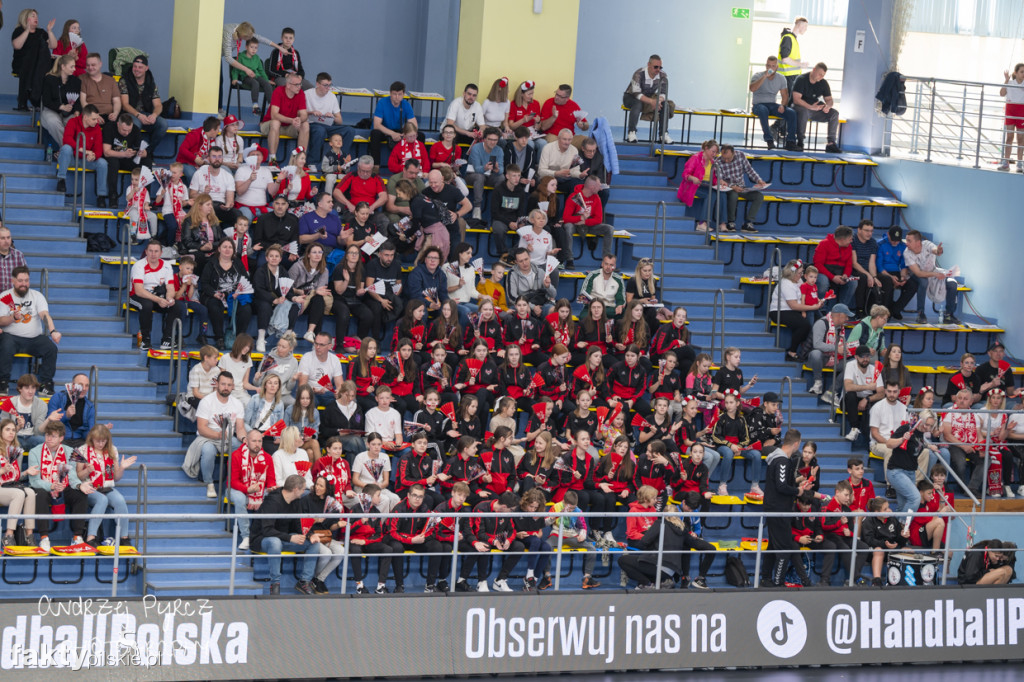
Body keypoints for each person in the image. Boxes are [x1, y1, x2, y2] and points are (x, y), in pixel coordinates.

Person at [250, 474, 321, 595]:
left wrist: (310, 535)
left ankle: (304, 581)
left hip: (284, 538)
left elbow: (299, 524)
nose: (305, 491)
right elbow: (267, 530)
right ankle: (275, 584)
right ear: (295, 489)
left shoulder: (296, 501)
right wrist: (290, 537)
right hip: (262, 539)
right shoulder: (272, 501)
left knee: (313, 544)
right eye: (303, 488)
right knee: (275, 542)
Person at [70, 425, 136, 548]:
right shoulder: (80, 450)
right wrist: (87, 471)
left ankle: (124, 537)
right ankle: (91, 537)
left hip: (107, 487)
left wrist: (122, 468)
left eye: (103, 441)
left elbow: (116, 477)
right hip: (89, 488)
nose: (100, 444)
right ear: (92, 439)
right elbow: (78, 476)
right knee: (102, 499)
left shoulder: (113, 450)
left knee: (120, 500)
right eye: (97, 441)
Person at [183, 372, 246, 497]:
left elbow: (240, 428)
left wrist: (244, 438)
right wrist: (218, 435)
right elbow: (201, 428)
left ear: (233, 386)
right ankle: (209, 483)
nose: (226, 387)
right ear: (217, 384)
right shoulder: (206, 401)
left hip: (228, 437)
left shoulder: (237, 404)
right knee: (208, 450)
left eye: (229, 385)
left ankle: (235, 482)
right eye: (223, 384)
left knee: (242, 448)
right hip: (209, 437)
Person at [763, 429, 814, 586]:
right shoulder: (783, 461)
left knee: (773, 546)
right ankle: (778, 582)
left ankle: (766, 579)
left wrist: (799, 482)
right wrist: (797, 490)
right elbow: (781, 486)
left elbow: (781, 482)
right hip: (778, 510)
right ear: (796, 443)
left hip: (775, 508)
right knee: (784, 548)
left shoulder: (777, 459)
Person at [28, 421, 87, 550]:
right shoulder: (34, 452)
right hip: (45, 487)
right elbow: (34, 481)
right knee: (39, 495)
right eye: (47, 435)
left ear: (61, 438)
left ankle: (77, 536)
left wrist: (78, 486)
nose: (49, 439)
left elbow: (71, 474)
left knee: (80, 494)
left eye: (53, 436)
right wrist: (51, 486)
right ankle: (44, 538)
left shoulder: (70, 451)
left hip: (63, 486)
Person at [0, 267, 58, 395]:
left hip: (34, 339)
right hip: (11, 337)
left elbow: (45, 315)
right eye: (20, 280)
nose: (24, 284)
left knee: (51, 348)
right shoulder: (5, 297)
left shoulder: (37, 296)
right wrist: (12, 318)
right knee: (5, 343)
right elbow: (1, 320)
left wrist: (53, 331)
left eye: (26, 280)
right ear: (13, 281)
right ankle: (3, 382)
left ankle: (45, 384)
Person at [388, 483, 448, 592]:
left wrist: (423, 537)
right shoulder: (398, 509)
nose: (417, 499)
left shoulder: (425, 509)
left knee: (437, 546)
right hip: (401, 540)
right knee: (396, 548)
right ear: (408, 495)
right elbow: (392, 532)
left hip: (417, 540)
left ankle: (430, 585)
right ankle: (399, 586)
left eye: (420, 496)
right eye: (415, 495)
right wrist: (410, 540)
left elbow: (432, 529)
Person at [199, 239, 253, 349]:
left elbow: (245, 280)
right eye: (224, 247)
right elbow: (204, 283)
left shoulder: (238, 263)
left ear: (233, 250)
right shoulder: (211, 263)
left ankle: (239, 339)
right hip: (214, 295)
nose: (227, 250)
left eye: (230, 247)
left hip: (234, 295)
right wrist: (214, 293)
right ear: (219, 249)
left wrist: (239, 292)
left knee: (246, 309)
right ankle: (219, 338)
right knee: (215, 306)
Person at [130, 239, 182, 351]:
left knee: (176, 305)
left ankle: (167, 340)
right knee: (147, 305)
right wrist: (158, 300)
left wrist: (169, 298)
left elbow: (170, 288)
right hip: (137, 296)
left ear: (161, 253)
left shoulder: (167, 266)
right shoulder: (139, 266)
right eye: (151, 251)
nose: (153, 254)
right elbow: (138, 290)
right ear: (146, 252)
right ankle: (145, 340)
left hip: (157, 296)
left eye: (156, 251)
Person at [545, 490, 601, 589]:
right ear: (564, 502)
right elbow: (545, 523)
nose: (571, 510)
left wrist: (582, 534)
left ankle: (587, 578)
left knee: (591, 549)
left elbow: (582, 526)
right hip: (556, 535)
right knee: (546, 547)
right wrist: (556, 515)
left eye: (573, 508)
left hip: (572, 536)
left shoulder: (578, 511)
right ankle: (546, 577)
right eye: (570, 508)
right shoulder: (556, 507)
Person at [55, 105, 109, 206]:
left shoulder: (96, 128)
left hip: (86, 160)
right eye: (94, 119)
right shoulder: (73, 122)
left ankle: (101, 196)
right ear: (85, 117)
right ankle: (61, 180)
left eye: (97, 118)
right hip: (72, 158)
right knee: (66, 149)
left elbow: (98, 149)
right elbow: (66, 139)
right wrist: (82, 150)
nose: (96, 121)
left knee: (102, 163)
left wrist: (94, 156)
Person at [904, 229, 960, 325]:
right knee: (923, 282)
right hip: (916, 275)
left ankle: (949, 315)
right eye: (906, 240)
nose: (906, 243)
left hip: (933, 271)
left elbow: (936, 251)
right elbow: (918, 273)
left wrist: (938, 251)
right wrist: (936, 275)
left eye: (909, 241)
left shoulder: (927, 244)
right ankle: (920, 313)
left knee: (952, 283)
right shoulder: (907, 253)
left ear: (918, 243)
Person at [118, 55, 167, 153]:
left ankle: (147, 153)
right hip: (130, 114)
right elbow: (125, 104)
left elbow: (158, 105)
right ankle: (131, 152)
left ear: (146, 68)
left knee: (163, 124)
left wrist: (154, 115)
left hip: (146, 114)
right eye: (135, 66)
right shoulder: (124, 81)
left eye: (140, 67)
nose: (137, 69)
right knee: (135, 124)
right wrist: (138, 115)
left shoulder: (151, 83)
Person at [676, 139, 726, 233]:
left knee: (719, 194)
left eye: (716, 153)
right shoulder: (695, 158)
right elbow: (685, 174)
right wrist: (693, 178)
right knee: (710, 195)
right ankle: (702, 223)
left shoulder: (712, 162)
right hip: (692, 185)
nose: (714, 154)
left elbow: (714, 179)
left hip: (705, 185)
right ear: (706, 149)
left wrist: (720, 181)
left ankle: (719, 223)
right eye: (713, 151)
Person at [623, 54, 674, 144]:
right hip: (631, 97)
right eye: (655, 67)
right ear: (649, 65)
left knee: (665, 105)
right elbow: (636, 93)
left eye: (660, 67)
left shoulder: (662, 75)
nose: (658, 69)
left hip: (649, 97)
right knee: (637, 103)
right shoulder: (639, 73)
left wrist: (658, 101)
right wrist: (652, 102)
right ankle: (632, 133)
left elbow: (663, 93)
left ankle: (663, 135)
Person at [713, 145, 765, 233]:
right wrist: (732, 186)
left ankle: (748, 223)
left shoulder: (740, 156)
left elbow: (749, 170)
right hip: (728, 187)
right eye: (724, 158)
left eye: (728, 158)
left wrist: (759, 180)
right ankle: (731, 222)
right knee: (733, 195)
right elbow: (720, 179)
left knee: (759, 196)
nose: (726, 161)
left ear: (733, 153)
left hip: (741, 186)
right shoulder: (718, 161)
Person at [563, 175, 614, 263]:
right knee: (568, 227)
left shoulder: (596, 197)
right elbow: (566, 218)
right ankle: (569, 259)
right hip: (575, 224)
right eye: (599, 186)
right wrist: (580, 218)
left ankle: (606, 261)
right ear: (592, 187)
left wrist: (585, 221)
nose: (601, 189)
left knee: (609, 229)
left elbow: (598, 219)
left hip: (588, 224)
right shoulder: (574, 196)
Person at [791, 62, 841, 153]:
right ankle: (800, 141)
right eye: (819, 74)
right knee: (804, 112)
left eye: (823, 75)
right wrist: (810, 107)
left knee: (834, 114)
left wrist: (828, 106)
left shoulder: (823, 83)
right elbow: (796, 99)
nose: (821, 77)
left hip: (815, 108)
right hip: (800, 107)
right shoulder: (801, 79)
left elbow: (829, 99)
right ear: (814, 70)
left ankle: (831, 143)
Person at [260, 73, 309, 165]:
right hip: (269, 125)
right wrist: (292, 120)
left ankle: (301, 160)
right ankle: (272, 159)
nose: (299, 87)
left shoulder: (301, 93)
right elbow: (274, 115)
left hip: (289, 126)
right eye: (296, 84)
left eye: (300, 84)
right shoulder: (278, 91)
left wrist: (299, 119)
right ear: (288, 85)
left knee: (305, 124)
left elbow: (304, 114)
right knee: (275, 122)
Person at [750, 55, 797, 150]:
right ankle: (769, 140)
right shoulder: (758, 75)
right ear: (765, 66)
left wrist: (783, 105)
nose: (770, 68)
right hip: (758, 105)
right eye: (768, 65)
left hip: (772, 105)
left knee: (791, 113)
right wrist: (764, 77)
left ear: (777, 67)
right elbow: (752, 88)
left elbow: (785, 95)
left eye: (773, 66)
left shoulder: (781, 78)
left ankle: (790, 142)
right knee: (763, 110)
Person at [305, 72, 354, 162]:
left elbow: (340, 121)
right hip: (312, 124)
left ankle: (341, 161)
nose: (328, 88)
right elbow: (300, 113)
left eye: (329, 85)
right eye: (325, 85)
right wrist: (311, 112)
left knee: (349, 130)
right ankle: (312, 162)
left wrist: (332, 117)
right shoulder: (307, 94)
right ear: (317, 84)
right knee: (320, 130)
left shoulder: (332, 96)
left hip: (328, 125)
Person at [805, 303, 851, 397]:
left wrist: (846, 350)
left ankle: (831, 392)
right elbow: (817, 344)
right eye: (846, 317)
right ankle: (818, 383)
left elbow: (839, 346)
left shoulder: (840, 328)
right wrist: (837, 349)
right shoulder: (821, 323)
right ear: (839, 315)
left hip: (832, 358)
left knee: (851, 365)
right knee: (816, 353)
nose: (847, 319)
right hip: (815, 359)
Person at [875, 226, 919, 321]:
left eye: (897, 240)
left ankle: (895, 309)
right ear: (888, 235)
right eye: (893, 239)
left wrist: (903, 277)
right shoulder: (880, 244)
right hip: (883, 273)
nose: (895, 242)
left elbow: (904, 265)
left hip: (896, 272)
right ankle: (885, 312)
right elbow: (879, 266)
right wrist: (891, 277)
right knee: (888, 282)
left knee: (912, 285)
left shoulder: (903, 246)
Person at [843, 345, 884, 445]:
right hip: (851, 400)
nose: (865, 359)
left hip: (867, 399)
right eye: (862, 357)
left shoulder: (874, 369)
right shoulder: (850, 365)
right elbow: (848, 387)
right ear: (856, 357)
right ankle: (854, 428)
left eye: (867, 356)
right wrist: (868, 387)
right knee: (850, 395)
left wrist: (867, 399)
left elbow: (882, 393)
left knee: (878, 403)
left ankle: (872, 438)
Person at [370, 81, 418, 164]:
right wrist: (392, 134)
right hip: (383, 130)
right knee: (375, 134)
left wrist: (405, 134)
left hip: (398, 131)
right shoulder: (382, 102)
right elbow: (376, 125)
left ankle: (413, 165)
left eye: (399, 94)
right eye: (394, 94)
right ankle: (376, 166)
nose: (397, 97)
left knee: (419, 135)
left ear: (403, 94)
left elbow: (414, 125)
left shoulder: (406, 105)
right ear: (390, 93)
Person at [870, 380, 909, 482]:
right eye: (889, 391)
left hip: (899, 442)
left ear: (899, 391)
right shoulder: (877, 407)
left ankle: (915, 484)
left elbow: (907, 430)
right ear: (885, 391)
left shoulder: (904, 408)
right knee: (890, 450)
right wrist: (890, 443)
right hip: (879, 443)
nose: (892, 394)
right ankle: (890, 485)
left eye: (895, 391)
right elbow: (874, 433)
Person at [103, 113, 146, 203]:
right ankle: (113, 196)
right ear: (118, 124)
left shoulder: (135, 129)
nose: (126, 133)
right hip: (113, 156)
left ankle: (145, 197)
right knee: (113, 163)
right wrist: (123, 154)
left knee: (146, 162)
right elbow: (106, 152)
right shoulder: (109, 127)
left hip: (128, 158)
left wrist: (141, 153)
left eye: (129, 130)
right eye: (124, 130)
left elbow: (145, 152)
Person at [812, 225, 857, 311]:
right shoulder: (824, 244)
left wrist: (845, 275)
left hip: (840, 273)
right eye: (850, 239)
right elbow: (818, 265)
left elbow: (849, 264)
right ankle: (820, 309)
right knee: (823, 281)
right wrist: (832, 277)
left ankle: (841, 309)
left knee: (853, 282)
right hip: (824, 272)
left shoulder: (849, 247)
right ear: (842, 239)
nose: (851, 241)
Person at [40, 54, 81, 148]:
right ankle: (70, 149)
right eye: (72, 66)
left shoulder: (76, 81)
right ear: (63, 67)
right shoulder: (49, 79)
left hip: (69, 113)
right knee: (53, 122)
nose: (74, 69)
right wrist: (61, 107)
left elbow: (78, 101)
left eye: (74, 66)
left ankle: (68, 150)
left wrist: (77, 111)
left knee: (76, 124)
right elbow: (46, 101)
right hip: (51, 110)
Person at [189, 147, 238, 225]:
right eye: (214, 156)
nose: (217, 159)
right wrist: (203, 193)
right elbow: (191, 195)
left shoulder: (228, 176)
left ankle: (226, 234)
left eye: (219, 156)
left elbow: (230, 197)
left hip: (220, 206)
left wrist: (227, 206)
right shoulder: (199, 173)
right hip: (203, 204)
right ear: (208, 158)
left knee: (237, 215)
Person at [296, 331, 344, 406]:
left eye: (321, 345)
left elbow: (340, 385)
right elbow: (302, 385)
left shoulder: (335, 360)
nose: (317, 347)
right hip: (309, 393)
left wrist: (338, 391)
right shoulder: (306, 357)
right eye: (316, 343)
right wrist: (312, 390)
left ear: (329, 346)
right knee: (308, 401)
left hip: (327, 393)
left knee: (340, 402)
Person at [465, 127, 504, 219]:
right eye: (490, 139)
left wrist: (497, 170)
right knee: (479, 176)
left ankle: (497, 206)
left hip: (490, 176)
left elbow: (502, 169)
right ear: (485, 139)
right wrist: (485, 168)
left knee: (501, 177)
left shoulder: (499, 150)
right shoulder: (476, 148)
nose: (493, 142)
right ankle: (477, 208)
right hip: (472, 175)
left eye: (495, 140)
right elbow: (477, 168)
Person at [229, 36, 274, 116]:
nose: (254, 49)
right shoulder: (241, 57)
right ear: (246, 47)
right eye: (251, 47)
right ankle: (255, 106)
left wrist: (267, 80)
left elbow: (261, 71)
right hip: (246, 77)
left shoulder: (257, 58)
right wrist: (234, 78)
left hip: (256, 76)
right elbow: (235, 69)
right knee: (255, 83)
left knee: (267, 84)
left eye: (256, 48)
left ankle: (271, 106)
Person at [176, 116, 222, 184]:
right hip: (186, 162)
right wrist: (195, 158)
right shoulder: (195, 134)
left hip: (201, 164)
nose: (218, 132)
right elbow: (182, 149)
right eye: (218, 129)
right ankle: (194, 193)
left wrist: (206, 161)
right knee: (193, 175)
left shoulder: (212, 139)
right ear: (212, 130)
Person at [537, 129, 584, 196]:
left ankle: (571, 205)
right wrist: (556, 173)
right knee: (550, 183)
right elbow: (541, 171)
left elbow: (574, 171)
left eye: (569, 139)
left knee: (579, 183)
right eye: (564, 139)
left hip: (564, 180)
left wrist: (580, 175)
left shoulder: (574, 150)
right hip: (550, 178)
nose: (567, 142)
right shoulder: (548, 148)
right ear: (558, 138)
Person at [80, 53, 120, 122]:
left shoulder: (111, 80)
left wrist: (115, 113)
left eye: (93, 65)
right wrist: (94, 116)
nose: (90, 68)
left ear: (100, 64)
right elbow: (83, 101)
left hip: (109, 116)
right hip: (90, 115)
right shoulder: (82, 79)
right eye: (88, 65)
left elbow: (116, 101)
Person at [999, 63, 1024, 171]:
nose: (1023, 74)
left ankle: (1019, 164)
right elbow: (1001, 93)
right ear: (1016, 73)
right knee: (1009, 137)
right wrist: (1006, 80)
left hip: (1021, 111)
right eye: (1022, 72)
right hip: (1010, 110)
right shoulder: (1010, 83)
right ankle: (1006, 162)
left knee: (1020, 138)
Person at [777, 16, 809, 94]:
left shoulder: (792, 38)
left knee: (791, 101)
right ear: (800, 25)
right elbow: (785, 59)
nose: (806, 29)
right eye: (805, 26)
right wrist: (801, 64)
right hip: (787, 76)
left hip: (791, 76)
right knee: (789, 101)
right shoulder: (788, 38)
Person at [0, 226, 28, 294]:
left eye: (8, 237)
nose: (6, 241)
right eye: (3, 238)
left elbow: (24, 279)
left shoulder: (18, 255)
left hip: (14, 297)